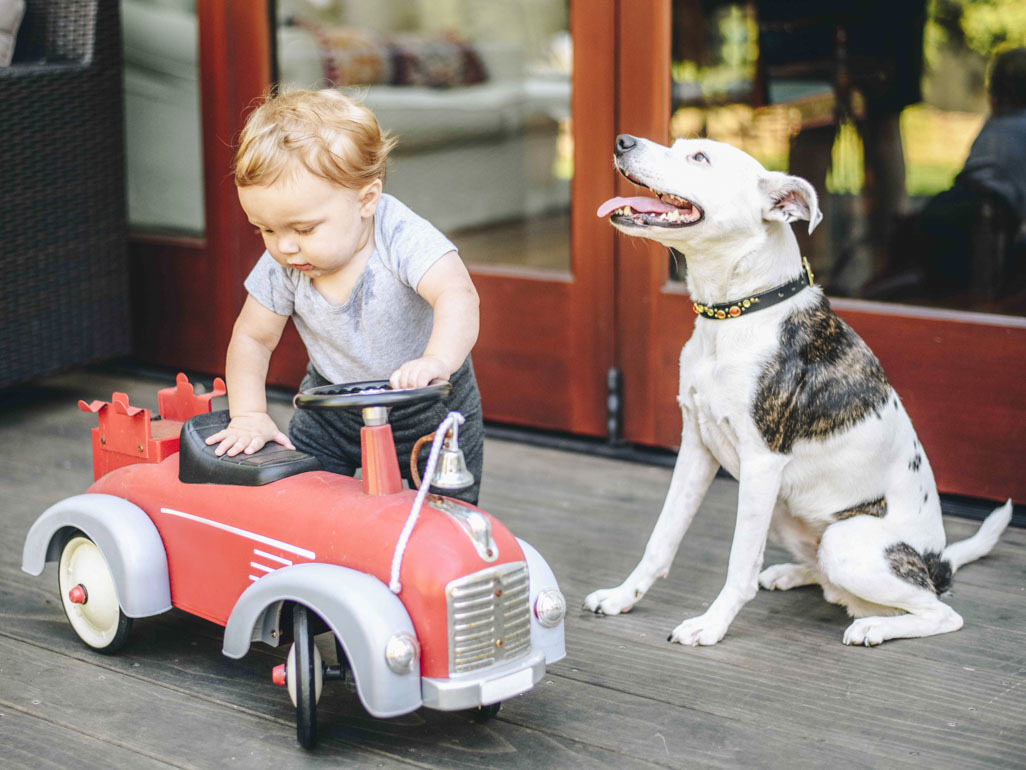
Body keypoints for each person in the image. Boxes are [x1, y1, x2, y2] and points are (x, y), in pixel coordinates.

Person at [205, 88, 484, 504]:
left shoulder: (401, 237)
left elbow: (457, 294)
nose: (285, 247)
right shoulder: (286, 263)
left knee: (445, 510)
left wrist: (438, 360)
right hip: (332, 404)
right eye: (264, 229)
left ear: (366, 200)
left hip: (426, 402)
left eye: (303, 229)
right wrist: (249, 415)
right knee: (305, 498)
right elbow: (252, 338)